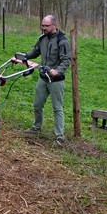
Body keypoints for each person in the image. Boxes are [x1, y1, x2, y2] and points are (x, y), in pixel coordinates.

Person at [19, 15, 71, 144]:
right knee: (37, 104)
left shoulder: (62, 41)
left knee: (57, 108)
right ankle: (37, 128)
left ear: (54, 25)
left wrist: (57, 71)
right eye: (42, 25)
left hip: (56, 80)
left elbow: (66, 60)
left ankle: (59, 136)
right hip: (43, 78)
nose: (44, 28)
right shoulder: (42, 39)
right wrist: (24, 56)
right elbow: (36, 51)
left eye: (46, 26)